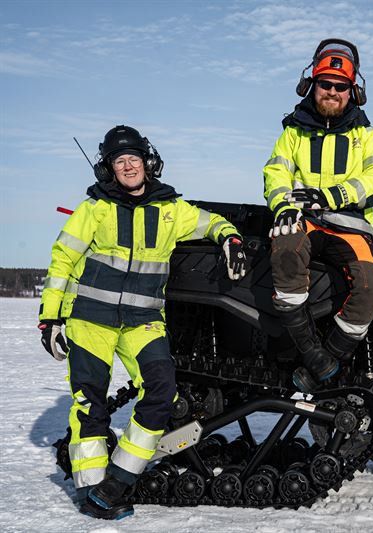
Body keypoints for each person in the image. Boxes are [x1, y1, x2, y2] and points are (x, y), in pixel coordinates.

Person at [38, 125, 246, 519]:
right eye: (120, 161)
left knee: (162, 393)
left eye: (134, 158)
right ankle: (92, 491)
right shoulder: (94, 209)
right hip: (90, 321)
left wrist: (231, 239)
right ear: (109, 169)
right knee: (90, 404)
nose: (128, 166)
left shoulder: (170, 210)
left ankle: (118, 479)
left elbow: (212, 222)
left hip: (143, 322)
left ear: (148, 163)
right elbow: (62, 260)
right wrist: (50, 318)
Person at [263, 38, 373, 393]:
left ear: (353, 91)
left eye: (340, 86)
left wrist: (331, 196)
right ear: (312, 86)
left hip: (350, 229)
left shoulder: (366, 135)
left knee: (372, 286)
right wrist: (284, 205)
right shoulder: (292, 131)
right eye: (325, 85)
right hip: (302, 220)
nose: (332, 92)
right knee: (285, 250)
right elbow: (275, 174)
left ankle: (320, 364)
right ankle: (313, 356)